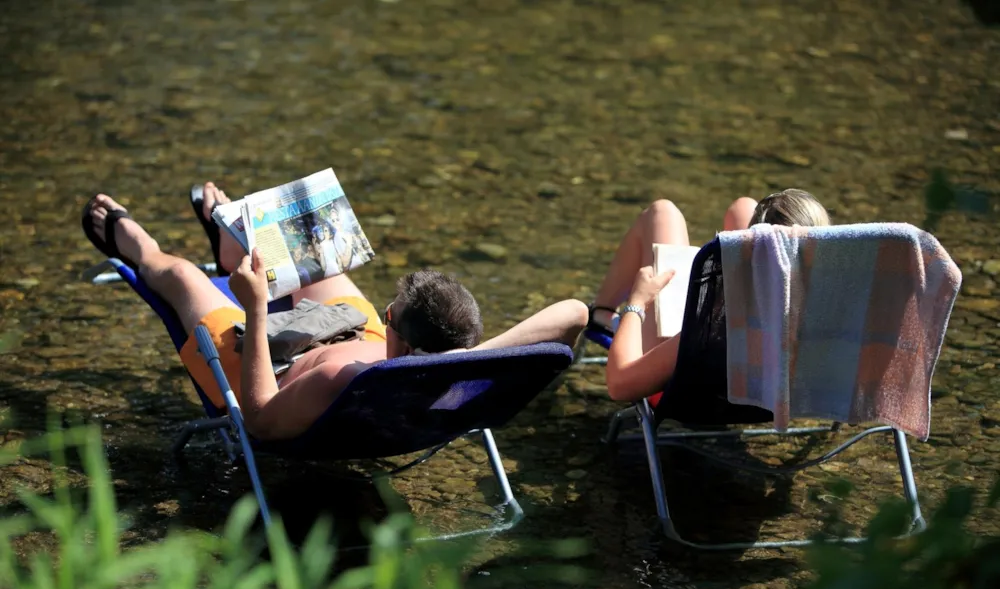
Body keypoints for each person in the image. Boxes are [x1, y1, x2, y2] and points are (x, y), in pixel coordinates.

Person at [82, 184, 589, 442]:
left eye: (391, 313)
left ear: (404, 341)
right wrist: (473, 355)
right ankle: (235, 240)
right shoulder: (458, 372)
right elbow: (573, 312)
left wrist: (257, 308)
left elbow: (258, 419)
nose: (388, 312)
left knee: (184, 279)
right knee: (308, 250)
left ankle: (140, 246)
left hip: (266, 357)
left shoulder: (333, 385)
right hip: (357, 338)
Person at [588, 189, 830, 403]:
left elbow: (619, 386)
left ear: (754, 258)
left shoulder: (721, 326)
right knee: (744, 207)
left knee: (662, 213)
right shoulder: (842, 307)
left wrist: (637, 304)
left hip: (690, 385)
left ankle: (603, 314)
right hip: (781, 384)